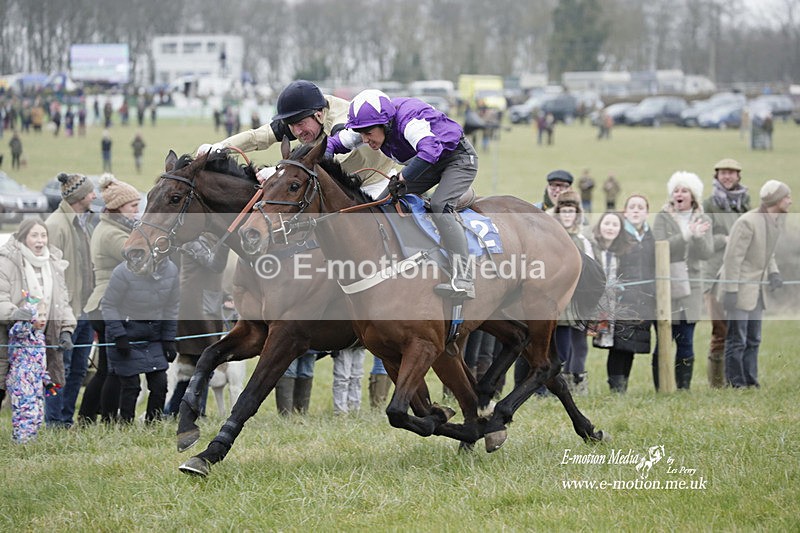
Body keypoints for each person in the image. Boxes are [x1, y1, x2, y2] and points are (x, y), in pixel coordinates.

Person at [326, 89, 479, 300]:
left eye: (368, 134)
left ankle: (464, 276)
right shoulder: (369, 123)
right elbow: (333, 144)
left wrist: (404, 177)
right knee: (381, 204)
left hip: (457, 159)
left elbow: (430, 151)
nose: (365, 140)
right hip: (427, 163)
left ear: (386, 124)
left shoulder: (409, 119)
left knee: (439, 205)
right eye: (361, 134)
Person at [197, 80, 397, 199]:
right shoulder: (304, 117)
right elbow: (259, 137)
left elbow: (329, 161)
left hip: (376, 181)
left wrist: (277, 172)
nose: (296, 131)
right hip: (343, 184)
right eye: (291, 125)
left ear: (319, 115)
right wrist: (219, 147)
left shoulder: (342, 121)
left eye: (300, 124)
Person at [78, 175, 141, 424]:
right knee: (115, 370)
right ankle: (107, 420)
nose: (138, 211)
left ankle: (86, 418)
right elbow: (140, 259)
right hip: (108, 306)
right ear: (117, 209)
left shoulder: (111, 228)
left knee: (107, 369)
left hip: (103, 305)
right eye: (133, 207)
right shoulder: (113, 234)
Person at [0, 219, 76, 420]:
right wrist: (19, 314)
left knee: (48, 382)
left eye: (43, 235)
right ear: (23, 237)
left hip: (42, 337)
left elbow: (63, 301)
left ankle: (45, 427)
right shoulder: (7, 261)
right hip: (10, 334)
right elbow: (1, 298)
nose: (40, 240)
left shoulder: (54, 262)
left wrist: (67, 330)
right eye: (34, 235)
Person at [719, 180, 791, 388]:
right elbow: (732, 258)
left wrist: (774, 272)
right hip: (740, 289)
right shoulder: (747, 222)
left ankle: (751, 380)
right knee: (737, 339)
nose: (790, 200)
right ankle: (736, 383)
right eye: (786, 196)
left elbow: (769, 252)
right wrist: (731, 290)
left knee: (754, 339)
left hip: (757, 291)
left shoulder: (775, 221)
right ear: (776, 200)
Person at [44, 173, 96, 428]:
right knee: (59, 368)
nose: (94, 196)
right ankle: (54, 421)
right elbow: (51, 273)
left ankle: (65, 419)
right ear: (79, 196)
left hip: (84, 310)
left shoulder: (80, 222)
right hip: (66, 312)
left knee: (78, 370)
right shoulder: (56, 226)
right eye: (90, 192)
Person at [653, 172, 713, 390]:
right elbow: (660, 246)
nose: (679, 194)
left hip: (692, 287)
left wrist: (697, 237)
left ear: (693, 196)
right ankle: (661, 387)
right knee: (664, 341)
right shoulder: (662, 217)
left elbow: (707, 253)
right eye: (676, 190)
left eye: (684, 190)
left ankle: (683, 387)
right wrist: (686, 235)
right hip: (667, 285)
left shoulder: (703, 220)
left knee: (686, 340)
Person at [102, 258, 179, 423]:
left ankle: (153, 426)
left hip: (153, 336)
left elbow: (172, 308)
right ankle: (125, 426)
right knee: (131, 386)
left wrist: (168, 339)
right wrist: (119, 335)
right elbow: (108, 305)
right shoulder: (122, 271)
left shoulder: (171, 270)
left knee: (160, 384)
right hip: (125, 336)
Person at [701, 158, 751, 388]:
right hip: (715, 274)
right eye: (723, 173)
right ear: (717, 176)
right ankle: (717, 384)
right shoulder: (710, 204)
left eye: (731, 173)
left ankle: (739, 379)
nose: (727, 177)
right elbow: (705, 240)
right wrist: (727, 240)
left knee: (741, 331)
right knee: (720, 329)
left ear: (738, 176)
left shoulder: (745, 204)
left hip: (741, 275)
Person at [605, 195, 655, 393]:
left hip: (643, 300)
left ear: (646, 213)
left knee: (632, 346)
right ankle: (616, 387)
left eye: (640, 207)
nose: (636, 210)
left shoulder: (651, 237)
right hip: (622, 299)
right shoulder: (619, 235)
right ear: (625, 212)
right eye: (632, 207)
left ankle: (624, 384)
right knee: (619, 346)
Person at [553, 190, 595, 395]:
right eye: (564, 211)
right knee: (554, 346)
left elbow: (591, 270)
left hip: (575, 301)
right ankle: (550, 386)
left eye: (571, 211)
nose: (567, 215)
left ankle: (572, 385)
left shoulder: (582, 240)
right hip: (554, 299)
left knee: (573, 346)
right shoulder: (551, 237)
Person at [5, 299, 53, 443]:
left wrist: (47, 380)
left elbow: (40, 362)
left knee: (38, 413)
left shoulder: (39, 336)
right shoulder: (21, 332)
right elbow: (20, 329)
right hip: (21, 379)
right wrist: (26, 316)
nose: (43, 319)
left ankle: (30, 440)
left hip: (36, 380)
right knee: (26, 412)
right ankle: (22, 443)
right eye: (39, 315)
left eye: (45, 315)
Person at [332, 347, 365, 415]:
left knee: (356, 377)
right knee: (342, 378)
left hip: (359, 343)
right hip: (343, 343)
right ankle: (340, 412)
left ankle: (354, 410)